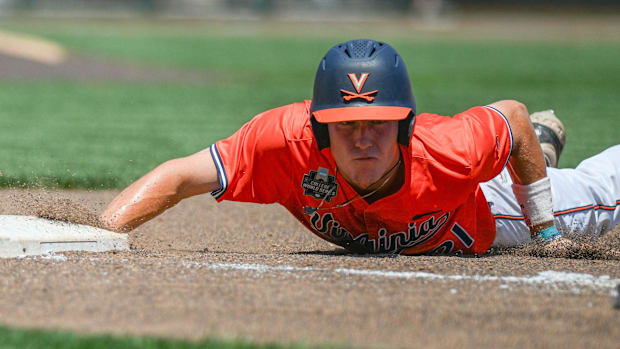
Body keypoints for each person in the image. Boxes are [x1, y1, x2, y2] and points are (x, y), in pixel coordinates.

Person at [100, 39, 620, 256]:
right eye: (346, 126)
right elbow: (181, 176)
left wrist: (546, 230)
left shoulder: (448, 149)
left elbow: (512, 116)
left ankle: (535, 164)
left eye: (379, 123)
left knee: (604, 196)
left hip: (488, 207)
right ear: (320, 128)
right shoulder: (282, 142)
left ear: (406, 125)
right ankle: (539, 155)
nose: (364, 137)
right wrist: (101, 237)